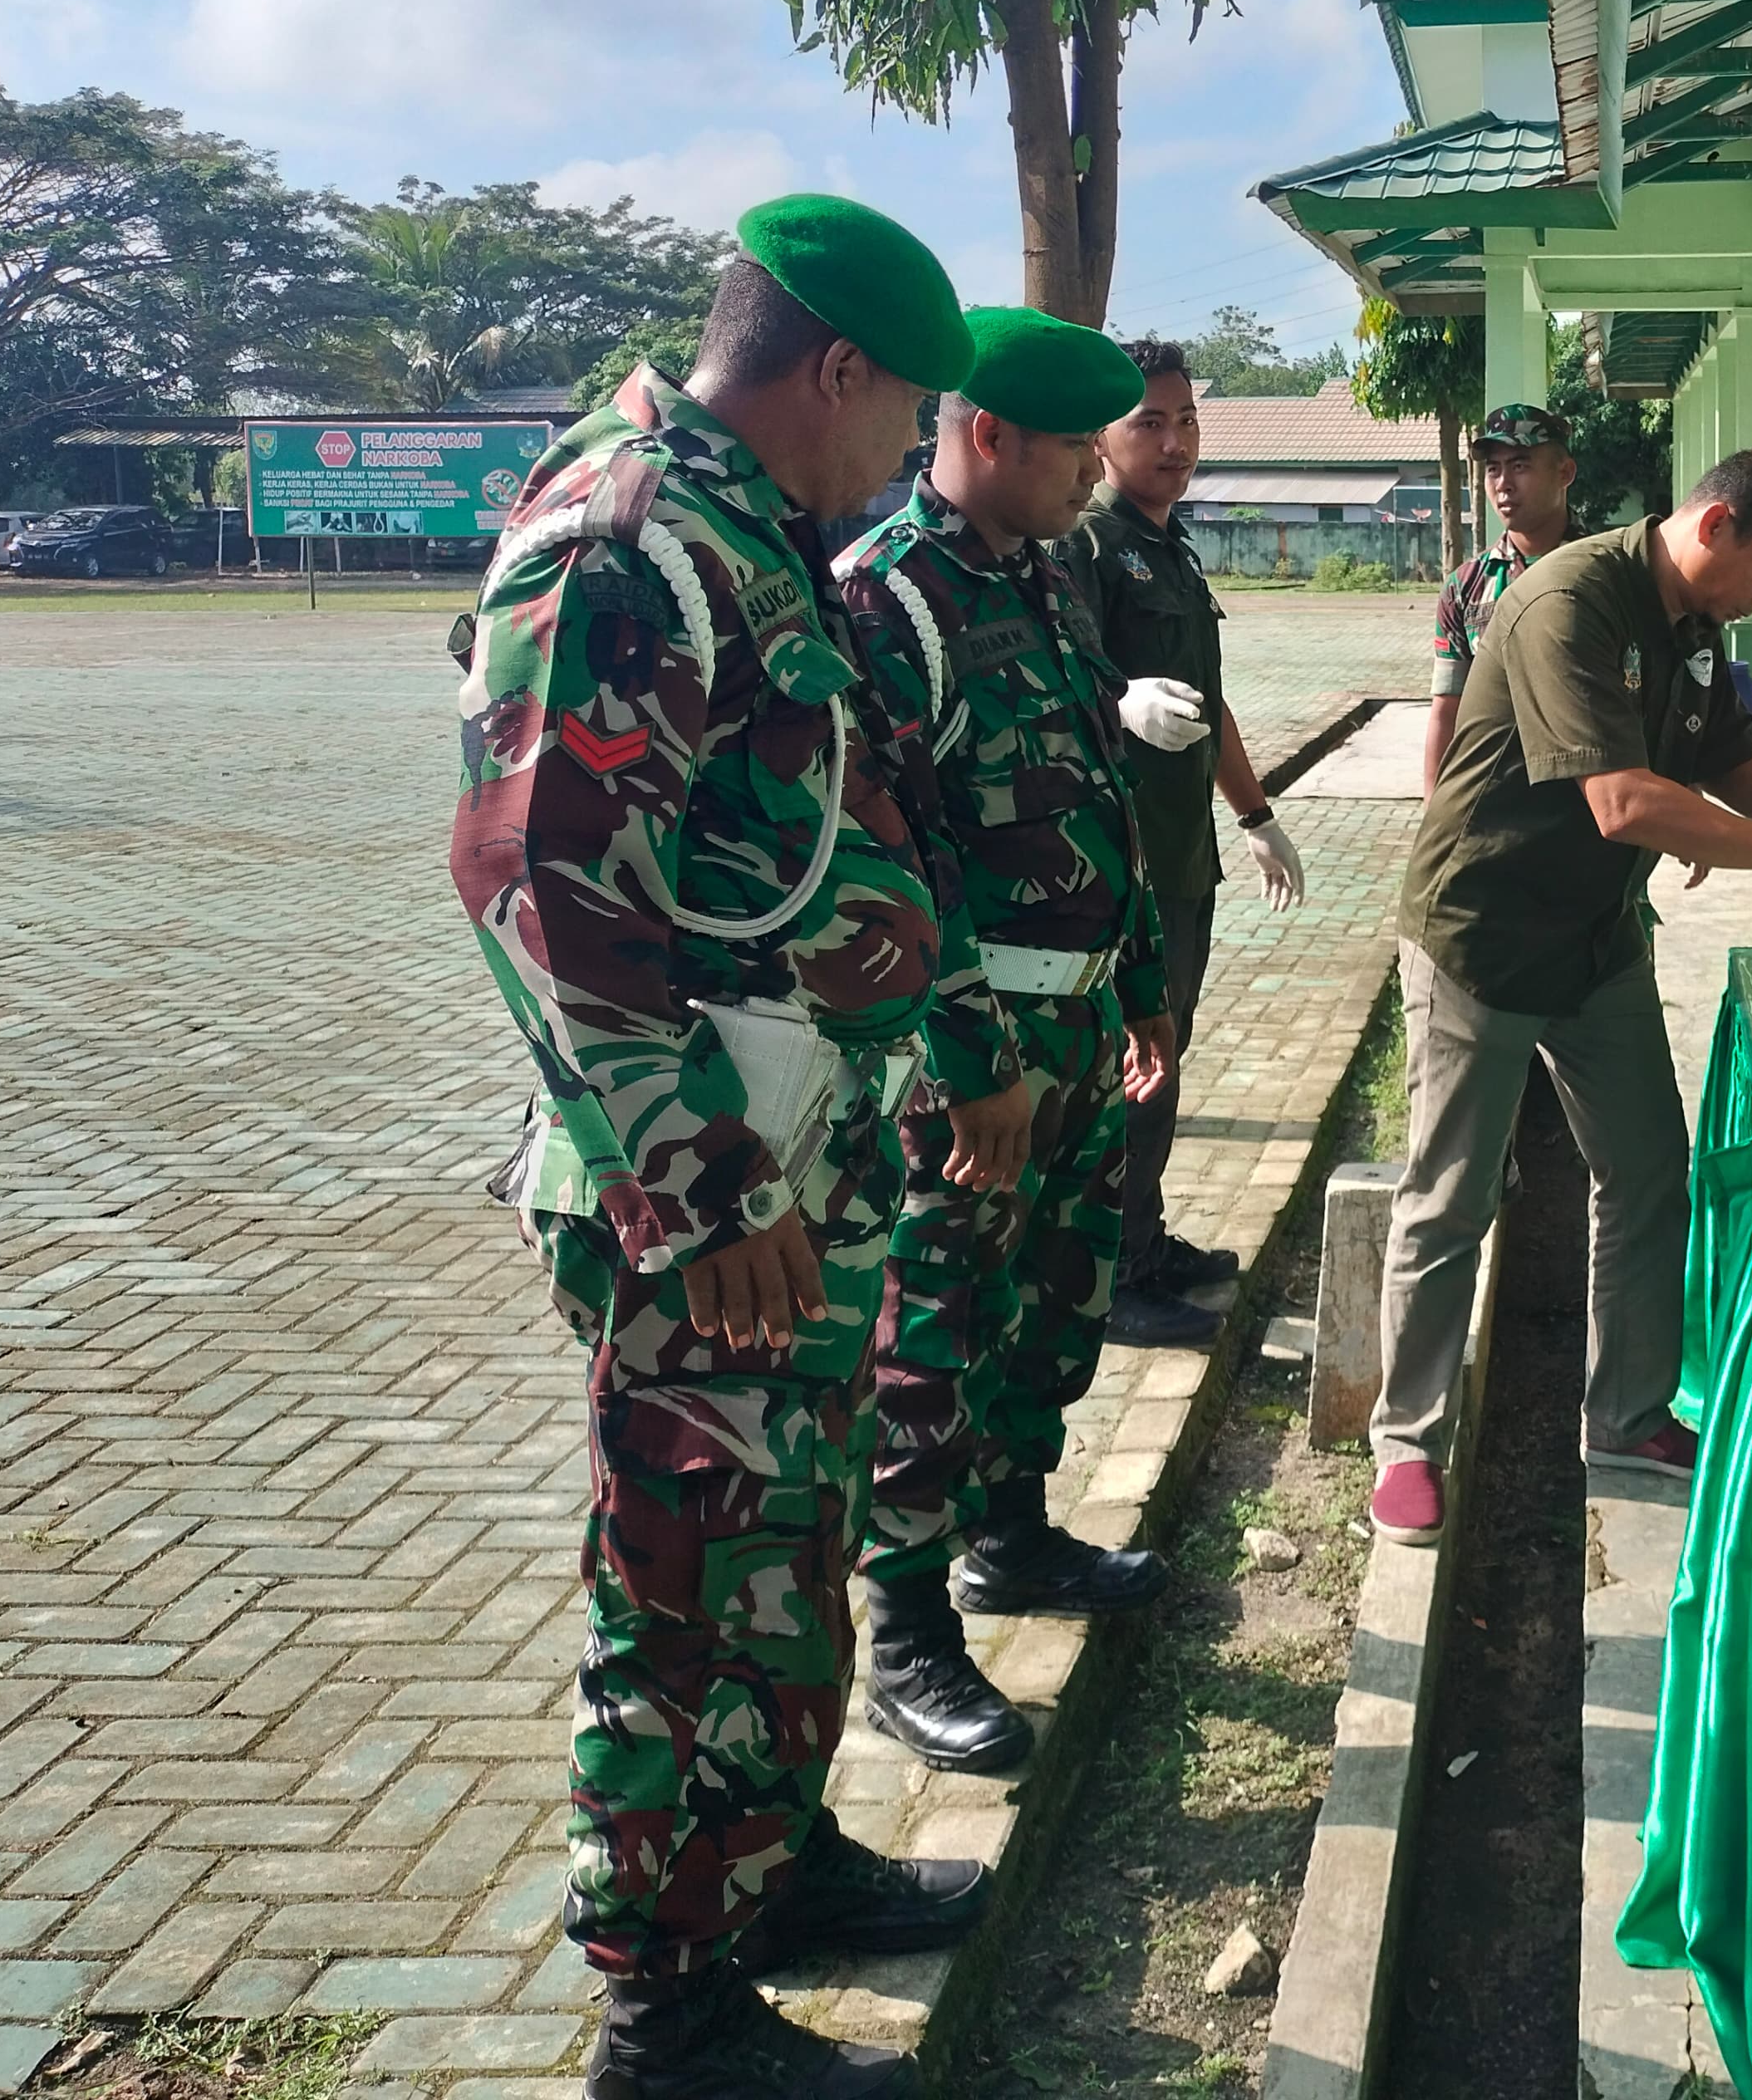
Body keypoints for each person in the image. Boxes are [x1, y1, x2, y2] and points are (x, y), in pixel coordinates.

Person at [453, 195, 988, 2100]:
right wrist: (701, 1188)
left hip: (793, 1162)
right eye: (911, 409)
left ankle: (767, 1873)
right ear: (836, 369)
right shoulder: (630, 533)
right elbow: (536, 877)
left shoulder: (754, 528)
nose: (914, 449)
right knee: (685, 1587)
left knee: (782, 1553)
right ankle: (663, 2017)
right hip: (713, 1193)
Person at [1368, 448, 1752, 1545]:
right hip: (1484, 936)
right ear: (1718, 526)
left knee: (1645, 1168)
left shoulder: (1696, 632)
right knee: (1452, 1192)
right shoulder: (1572, 602)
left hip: (1595, 941)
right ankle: (1408, 1439)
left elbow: (1727, 768)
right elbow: (1627, 801)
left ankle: (1628, 1412)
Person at [832, 308, 1182, 1780]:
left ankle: (1012, 1536)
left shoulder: (1036, 577)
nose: (1093, 479)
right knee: (934, 1336)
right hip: (969, 1056)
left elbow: (1094, 787)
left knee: (1053, 1299)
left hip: (1080, 1020)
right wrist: (973, 1060)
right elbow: (893, 855)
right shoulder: (890, 598)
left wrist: (1142, 981)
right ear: (985, 436)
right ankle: (908, 1632)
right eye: (1068, 456)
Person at [1063, 344, 1304, 1338]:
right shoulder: (1082, 544)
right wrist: (1115, 699)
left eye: (1186, 421)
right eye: (1149, 424)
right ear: (1102, 437)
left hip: (1178, 859)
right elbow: (1053, 679)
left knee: (1167, 1058)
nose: (1174, 443)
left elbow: (1209, 707)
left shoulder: (1170, 547)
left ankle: (1145, 1240)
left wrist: (1255, 816)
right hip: (1113, 868)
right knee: (1130, 1074)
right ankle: (1111, 1282)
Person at [1424, 400, 1583, 796]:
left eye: (1521, 465)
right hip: (1494, 801)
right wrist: (1433, 805)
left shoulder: (1605, 570)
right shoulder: (1466, 586)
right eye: (1492, 468)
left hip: (1587, 803)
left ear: (1565, 472)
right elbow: (1448, 708)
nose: (1503, 483)